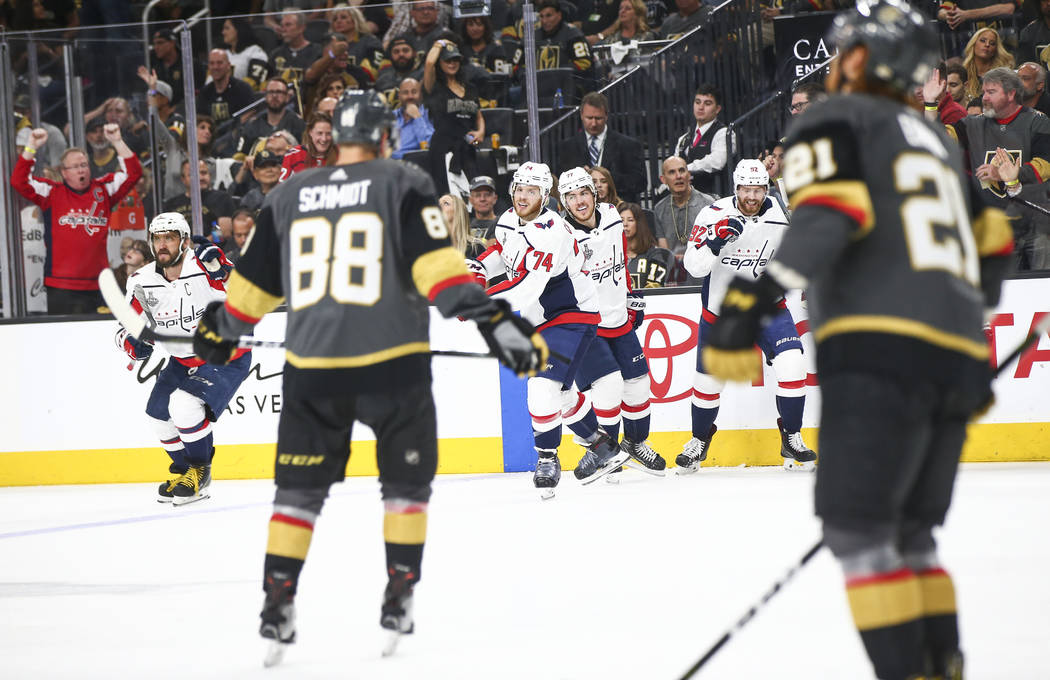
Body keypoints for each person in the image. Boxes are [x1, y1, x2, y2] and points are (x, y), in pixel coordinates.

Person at [702, 3, 1014, 678]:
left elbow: (829, 219)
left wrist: (748, 304)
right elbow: (994, 241)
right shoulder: (932, 135)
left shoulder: (835, 118)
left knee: (861, 533)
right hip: (954, 358)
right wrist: (957, 328)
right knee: (913, 536)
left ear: (858, 58)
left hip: (876, 348)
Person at [190, 90, 546, 663]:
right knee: (404, 487)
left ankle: (277, 599)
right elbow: (440, 276)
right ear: (384, 137)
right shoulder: (402, 182)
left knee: (298, 492)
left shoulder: (288, 194)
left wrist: (220, 327)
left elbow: (249, 297)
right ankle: (399, 591)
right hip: (393, 364)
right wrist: (493, 319)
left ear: (335, 137)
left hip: (312, 369)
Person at [473, 161, 629, 495]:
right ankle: (602, 446)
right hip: (544, 319)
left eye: (532, 191)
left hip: (572, 314)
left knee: (541, 386)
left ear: (544, 196)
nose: (523, 197)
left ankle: (547, 457)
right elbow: (502, 252)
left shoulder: (550, 229)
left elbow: (527, 285)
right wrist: (478, 270)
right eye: (519, 189)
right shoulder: (507, 221)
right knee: (561, 393)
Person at [677, 158, 814, 472]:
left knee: (793, 365)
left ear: (766, 188)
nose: (752, 196)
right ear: (735, 188)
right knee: (708, 385)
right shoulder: (713, 214)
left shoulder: (782, 214)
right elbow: (693, 267)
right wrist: (716, 241)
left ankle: (791, 438)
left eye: (758, 189)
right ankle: (699, 441)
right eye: (746, 189)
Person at [117, 212, 244, 505]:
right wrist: (131, 343)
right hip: (183, 359)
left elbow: (243, 297)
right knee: (157, 415)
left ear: (184, 241)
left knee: (184, 404)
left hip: (224, 354)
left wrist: (225, 272)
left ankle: (200, 473)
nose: (162, 245)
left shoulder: (205, 265)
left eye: (170, 238)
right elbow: (125, 327)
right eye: (157, 238)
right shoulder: (140, 281)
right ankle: (186, 471)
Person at [559, 168, 665, 473]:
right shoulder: (562, 237)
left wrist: (630, 295)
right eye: (570, 196)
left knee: (639, 384)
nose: (578, 201)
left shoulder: (613, 216)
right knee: (609, 386)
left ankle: (635, 443)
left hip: (618, 319)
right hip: (588, 325)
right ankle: (604, 452)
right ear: (564, 202)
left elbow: (621, 264)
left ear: (594, 193)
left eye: (583, 193)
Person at [923, 66, 1050, 270]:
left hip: (1035, 227)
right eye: (984, 92)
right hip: (994, 229)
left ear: (1011, 94)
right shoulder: (973, 124)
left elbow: (1045, 165)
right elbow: (937, 140)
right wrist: (931, 104)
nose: (984, 98)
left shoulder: (1038, 121)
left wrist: (1008, 173)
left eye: (991, 92)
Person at [11, 124, 142, 314]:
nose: (81, 170)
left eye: (84, 165)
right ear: (64, 172)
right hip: (60, 285)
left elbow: (134, 173)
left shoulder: (104, 189)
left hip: (99, 284)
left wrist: (116, 141)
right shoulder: (51, 193)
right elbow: (19, 181)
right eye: (75, 167)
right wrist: (31, 146)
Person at [558, 91, 645, 202]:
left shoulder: (629, 145)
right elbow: (561, 184)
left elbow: (640, 183)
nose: (594, 123)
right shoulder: (568, 148)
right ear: (581, 115)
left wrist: (606, 178)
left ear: (606, 116)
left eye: (598, 118)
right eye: (589, 118)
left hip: (619, 211)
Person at [422, 40, 484, 195]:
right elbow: (429, 63)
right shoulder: (435, 87)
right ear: (440, 63)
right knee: (447, 195)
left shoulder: (470, 88)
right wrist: (439, 43)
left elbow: (479, 116)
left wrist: (481, 132)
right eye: (447, 60)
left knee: (474, 191)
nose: (452, 63)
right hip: (442, 148)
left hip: (465, 147)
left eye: (455, 59)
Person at [674, 84, 735, 196]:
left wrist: (686, 168)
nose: (701, 107)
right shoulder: (684, 138)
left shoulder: (724, 133)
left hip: (714, 199)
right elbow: (674, 166)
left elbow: (717, 161)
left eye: (707, 103)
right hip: (685, 199)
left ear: (717, 109)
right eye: (697, 102)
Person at [234, 78, 306, 161]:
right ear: (265, 96)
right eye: (271, 92)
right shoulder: (253, 124)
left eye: (279, 92)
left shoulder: (298, 124)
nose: (274, 96)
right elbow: (241, 156)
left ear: (287, 97)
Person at [199, 48, 258, 128]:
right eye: (212, 63)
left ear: (228, 66)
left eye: (219, 63)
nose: (215, 67)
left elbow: (250, 113)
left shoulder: (243, 89)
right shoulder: (205, 92)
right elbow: (201, 120)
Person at [622, 202, 672, 288]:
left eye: (630, 220)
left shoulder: (654, 255)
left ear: (639, 224)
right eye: (621, 220)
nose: (625, 224)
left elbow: (654, 291)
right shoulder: (611, 256)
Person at [961, 27, 1015, 101]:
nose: (987, 45)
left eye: (992, 43)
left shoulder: (1003, 75)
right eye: (983, 41)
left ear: (995, 50)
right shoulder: (963, 72)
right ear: (973, 44)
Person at [280, 112, 337, 181]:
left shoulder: (341, 155)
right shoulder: (294, 155)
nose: (324, 139)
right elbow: (284, 188)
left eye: (328, 134)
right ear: (310, 132)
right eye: (319, 133)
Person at [220, 18, 271, 89]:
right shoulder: (222, 54)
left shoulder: (255, 51)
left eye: (227, 28)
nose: (223, 32)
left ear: (238, 30)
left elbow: (254, 82)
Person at [392, 77, 434, 159]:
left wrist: (417, 117)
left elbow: (427, 147)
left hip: (415, 165)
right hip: (389, 164)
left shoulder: (430, 115)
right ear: (399, 96)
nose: (410, 96)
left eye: (414, 92)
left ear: (421, 95)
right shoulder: (390, 117)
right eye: (405, 92)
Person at [440, 192, 485, 257]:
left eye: (446, 203)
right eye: (438, 204)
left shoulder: (475, 248)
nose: (439, 206)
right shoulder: (430, 249)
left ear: (458, 211)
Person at [468, 175, 500, 241]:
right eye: (478, 195)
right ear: (471, 200)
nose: (482, 199)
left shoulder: (504, 225)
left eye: (487, 195)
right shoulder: (464, 226)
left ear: (495, 198)